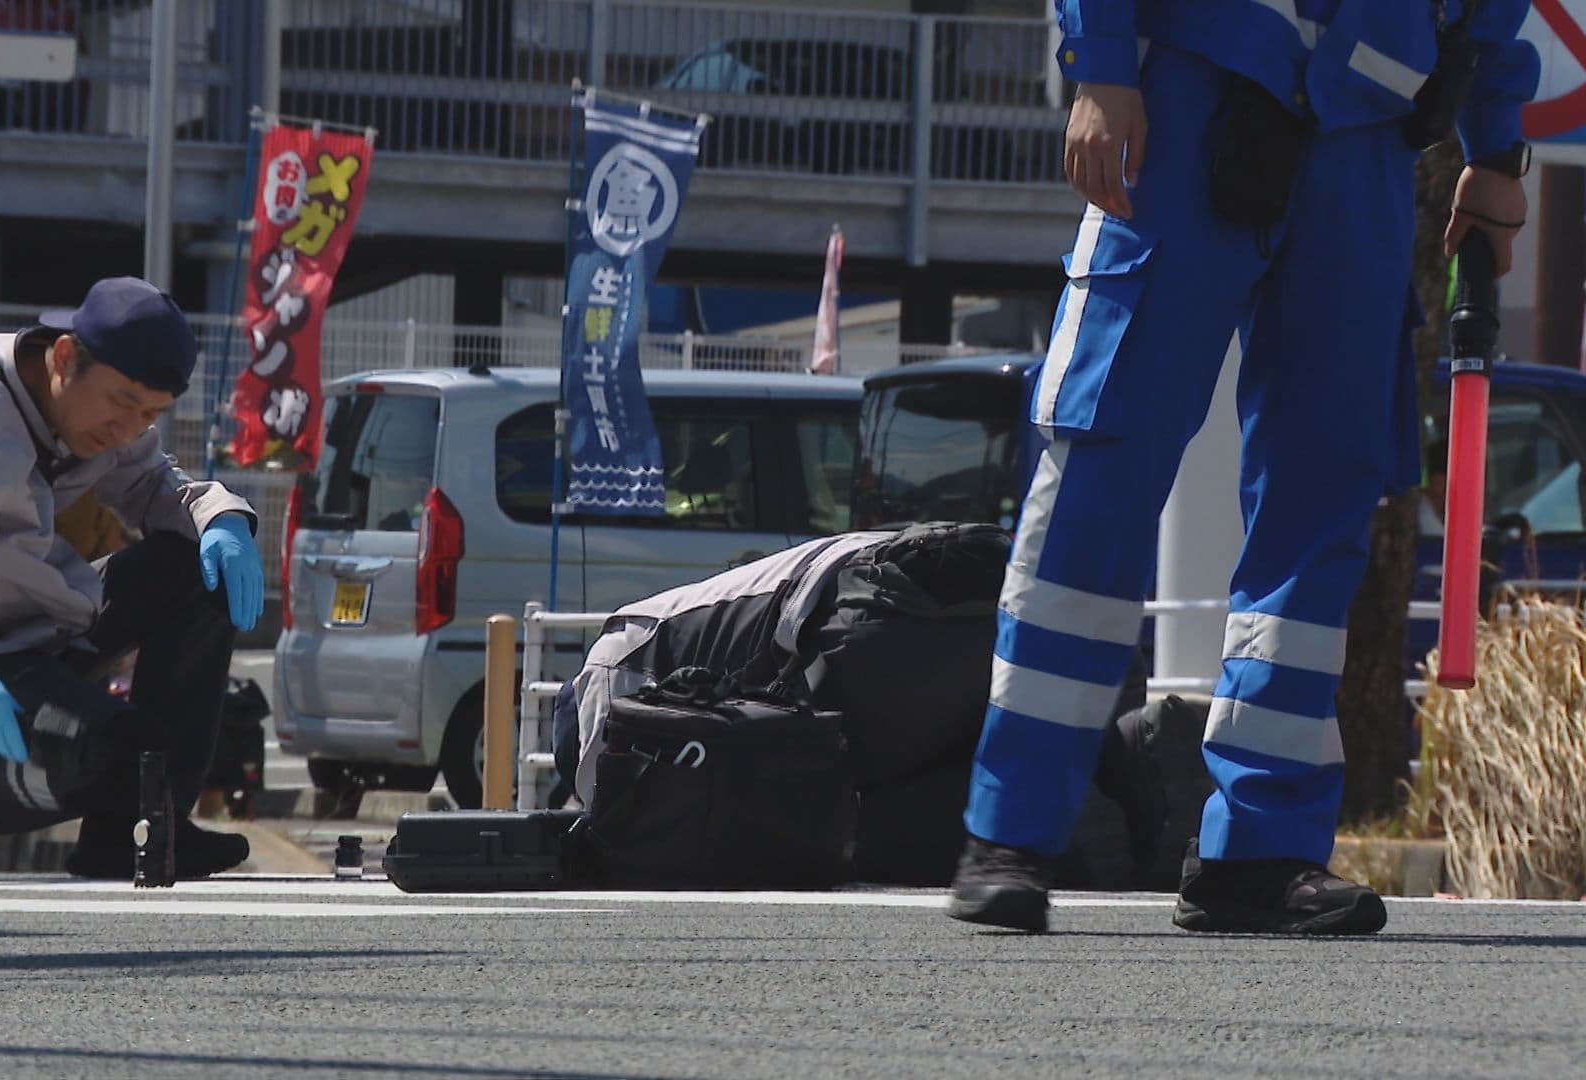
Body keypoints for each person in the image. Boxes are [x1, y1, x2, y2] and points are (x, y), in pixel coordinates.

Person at [949, 1, 1538, 934]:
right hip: (1194, 89)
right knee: (1103, 460)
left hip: (1367, 129)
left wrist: (1496, 151)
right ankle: (1011, 832)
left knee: (1323, 500)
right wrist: (1101, 67)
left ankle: (1261, 850)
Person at [0, 276, 266, 882]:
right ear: (63, 357)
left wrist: (221, 517)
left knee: (196, 569)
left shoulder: (94, 412)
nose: (128, 429)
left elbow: (153, 485)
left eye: (150, 414)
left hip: (27, 634)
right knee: (106, 751)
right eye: (123, 402)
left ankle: (143, 828)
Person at [557, 523, 1167, 887]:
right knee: (989, 752)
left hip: (873, 630)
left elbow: (625, 811)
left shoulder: (613, 657)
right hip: (980, 585)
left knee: (834, 814)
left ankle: (1078, 825)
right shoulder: (690, 610)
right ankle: (1125, 764)